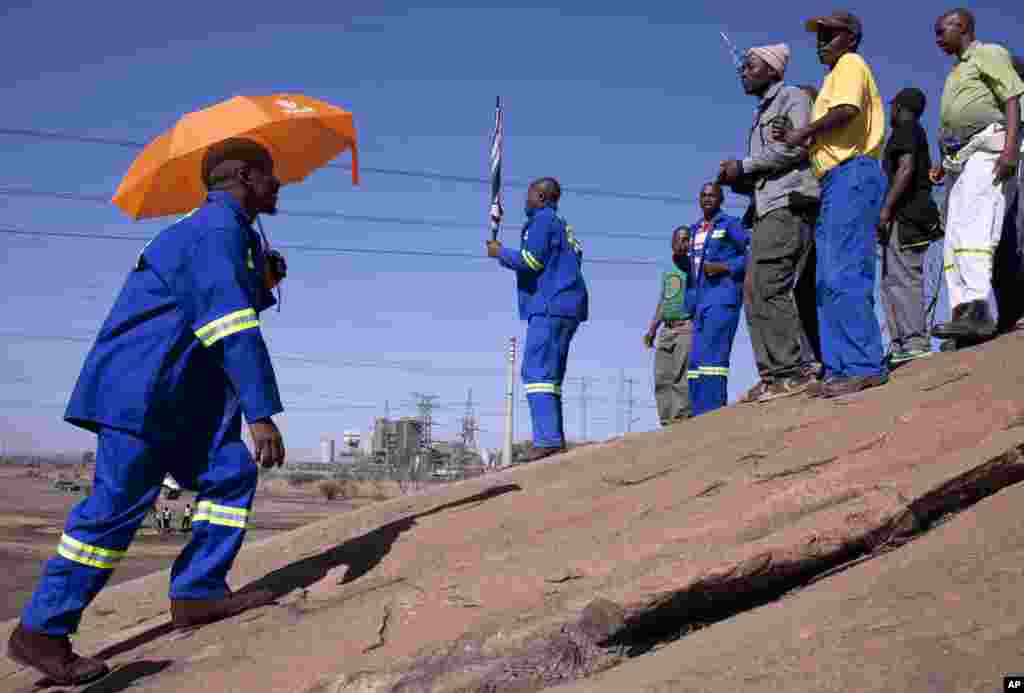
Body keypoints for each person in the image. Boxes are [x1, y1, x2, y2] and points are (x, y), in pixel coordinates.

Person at [7, 138, 288, 686]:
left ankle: (198, 592)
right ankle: (40, 631)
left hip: (181, 400)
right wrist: (260, 412)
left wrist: (262, 280)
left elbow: (215, 306)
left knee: (228, 475)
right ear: (243, 177)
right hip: (142, 392)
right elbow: (230, 328)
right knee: (113, 509)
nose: (278, 184)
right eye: (270, 175)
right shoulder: (213, 232)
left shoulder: (227, 234)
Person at [774, 10, 889, 398]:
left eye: (831, 35)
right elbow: (831, 127)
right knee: (828, 278)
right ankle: (841, 366)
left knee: (844, 271)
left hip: (853, 174)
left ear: (852, 38)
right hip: (835, 180)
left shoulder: (850, 64)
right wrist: (799, 138)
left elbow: (847, 112)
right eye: (819, 36)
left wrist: (803, 131)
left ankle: (863, 365)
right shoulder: (832, 77)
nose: (821, 42)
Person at [718, 43, 821, 403]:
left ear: (774, 70)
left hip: (788, 205)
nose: (743, 72)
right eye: (743, 67)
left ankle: (793, 371)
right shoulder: (761, 112)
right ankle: (773, 375)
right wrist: (739, 178)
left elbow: (796, 146)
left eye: (750, 66)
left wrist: (744, 166)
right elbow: (768, 165)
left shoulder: (792, 97)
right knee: (754, 289)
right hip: (766, 208)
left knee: (771, 285)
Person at [930, 9, 1023, 342]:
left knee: (975, 226)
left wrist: (1011, 148)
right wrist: (943, 160)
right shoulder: (957, 71)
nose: (938, 38)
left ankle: (979, 310)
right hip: (962, 158)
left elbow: (1012, 97)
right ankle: (963, 314)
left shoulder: (989, 53)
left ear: (963, 27)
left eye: (943, 30)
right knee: (955, 233)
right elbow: (955, 121)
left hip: (991, 150)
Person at [487, 177, 588, 462]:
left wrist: (500, 253)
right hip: (568, 304)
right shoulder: (562, 225)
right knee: (550, 376)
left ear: (542, 197)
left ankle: (547, 440)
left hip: (550, 305)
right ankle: (553, 439)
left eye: (529, 194)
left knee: (536, 372)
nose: (525, 199)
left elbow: (531, 261)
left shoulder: (542, 221)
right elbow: (575, 257)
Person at [878, 87, 944, 365]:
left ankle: (915, 340)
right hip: (903, 217)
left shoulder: (907, 129)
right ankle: (901, 344)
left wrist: (885, 210)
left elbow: (905, 170)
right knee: (891, 281)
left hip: (908, 217)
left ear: (899, 107)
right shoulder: (911, 131)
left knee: (904, 278)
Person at [686, 183, 750, 416]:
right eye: (703, 195)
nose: (707, 199)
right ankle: (697, 413)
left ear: (721, 199)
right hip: (700, 302)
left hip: (723, 297)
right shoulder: (694, 230)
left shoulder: (730, 225)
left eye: (712, 195)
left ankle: (712, 412)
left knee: (713, 358)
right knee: (695, 361)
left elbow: (751, 253)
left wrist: (724, 266)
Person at [644, 226, 695, 425]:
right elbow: (664, 300)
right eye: (678, 240)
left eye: (686, 240)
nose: (682, 243)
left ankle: (682, 418)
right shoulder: (668, 269)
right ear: (672, 243)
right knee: (662, 376)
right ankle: (666, 421)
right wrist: (652, 329)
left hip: (685, 326)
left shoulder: (693, 267)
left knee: (680, 377)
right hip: (666, 329)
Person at [992, 55, 1024, 335]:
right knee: (1000, 244)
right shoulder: (997, 106)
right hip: (1002, 179)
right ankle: (1008, 314)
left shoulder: (1016, 101)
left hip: (1016, 173)